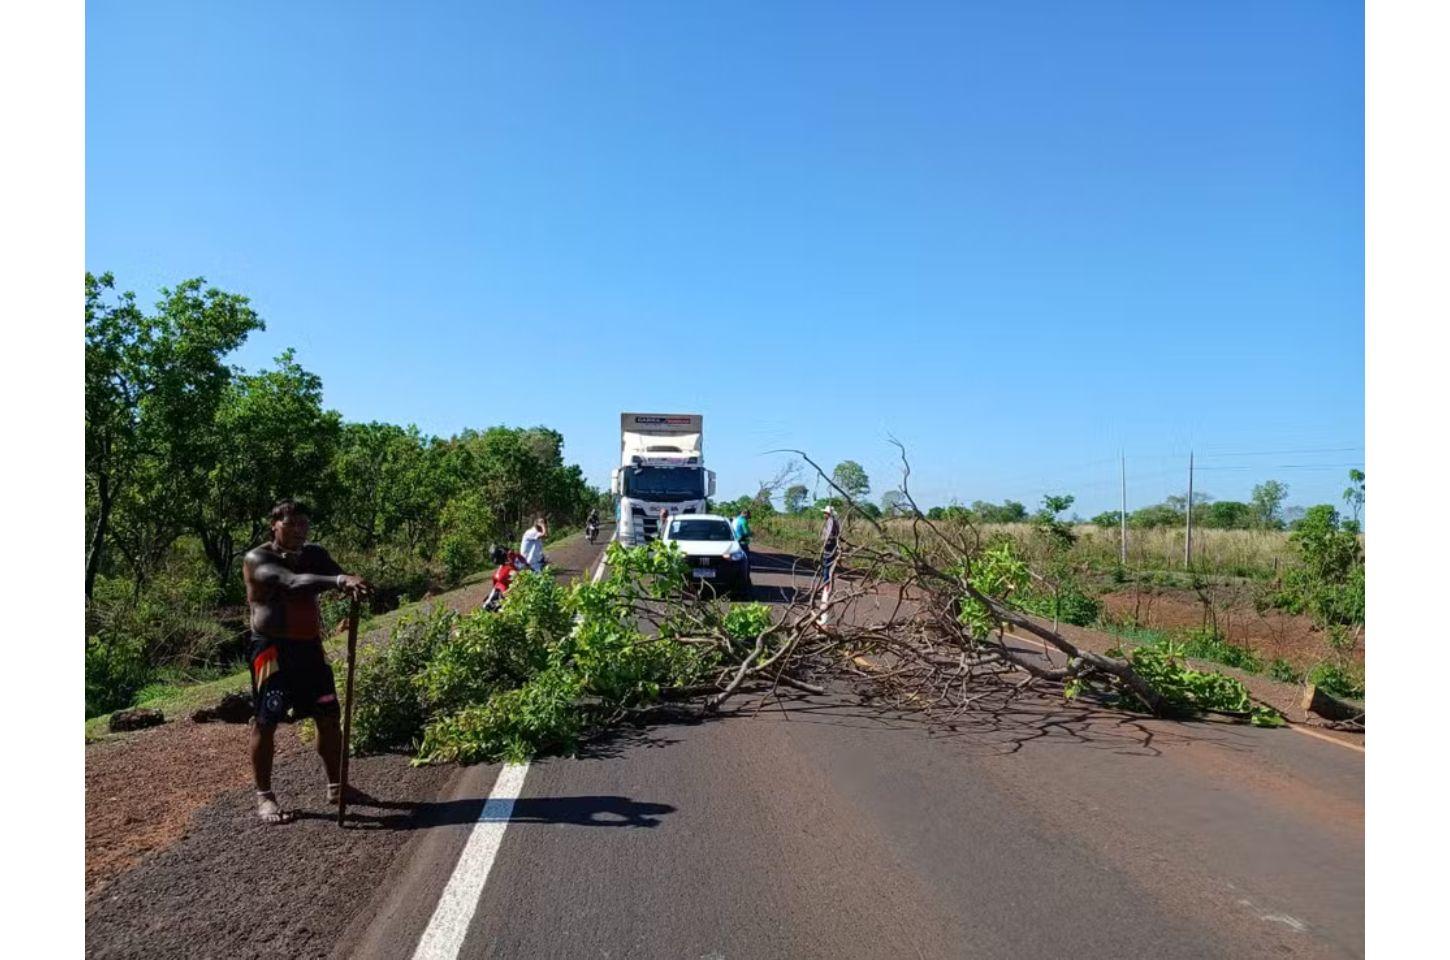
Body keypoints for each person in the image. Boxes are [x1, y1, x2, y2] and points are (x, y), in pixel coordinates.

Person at [243, 499, 369, 825]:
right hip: (271, 651)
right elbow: (292, 582)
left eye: (303, 525)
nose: (299, 531)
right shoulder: (258, 558)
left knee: (328, 714)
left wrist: (353, 585)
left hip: (309, 648)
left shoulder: (314, 553)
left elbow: (337, 574)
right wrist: (340, 582)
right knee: (266, 720)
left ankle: (337, 786)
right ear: (274, 525)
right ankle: (265, 797)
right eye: (291, 524)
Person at [819, 504, 841, 623]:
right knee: (828, 566)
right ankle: (827, 583)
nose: (823, 514)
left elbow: (828, 535)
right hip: (833, 547)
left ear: (828, 513)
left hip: (829, 548)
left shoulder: (831, 521)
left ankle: (826, 584)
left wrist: (824, 545)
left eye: (825, 513)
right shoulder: (835, 521)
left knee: (827, 566)